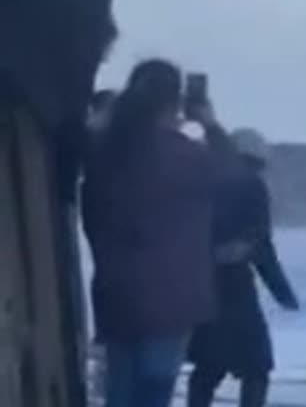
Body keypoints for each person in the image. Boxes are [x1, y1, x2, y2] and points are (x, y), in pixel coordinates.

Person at [82, 58, 233, 407]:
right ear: (176, 101)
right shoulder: (186, 156)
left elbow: (90, 214)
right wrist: (209, 124)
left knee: (120, 390)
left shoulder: (105, 151)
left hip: (116, 293)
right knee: (153, 392)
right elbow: (234, 176)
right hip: (173, 298)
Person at [187, 128, 300, 407]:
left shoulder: (203, 179)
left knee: (208, 366)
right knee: (257, 366)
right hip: (235, 288)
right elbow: (260, 245)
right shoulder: (251, 186)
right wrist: (282, 292)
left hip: (200, 284)